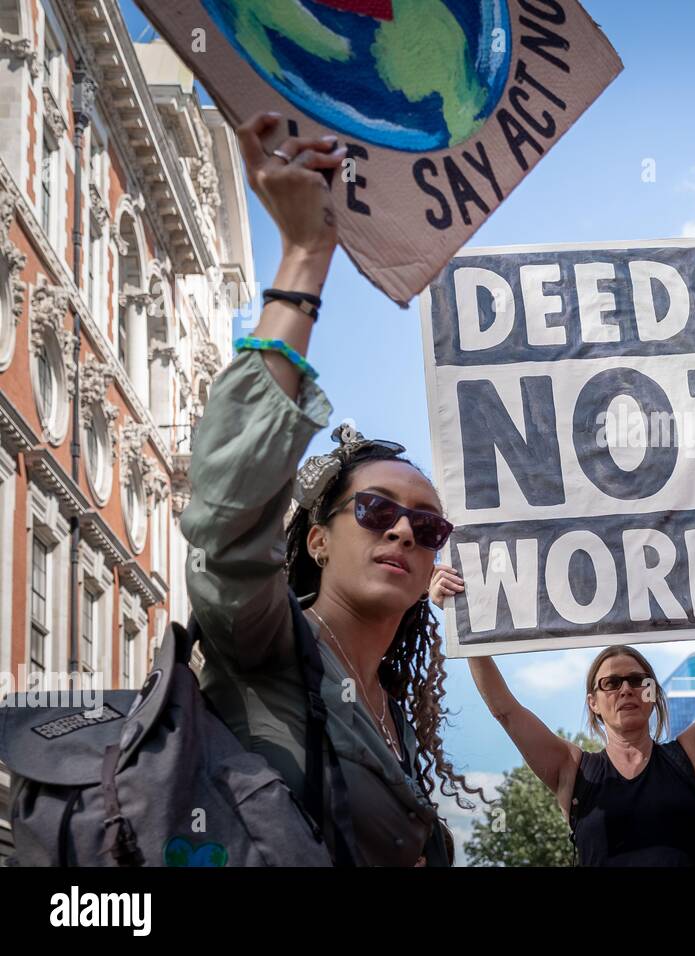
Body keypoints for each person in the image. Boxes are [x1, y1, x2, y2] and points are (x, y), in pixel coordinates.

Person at [181, 111, 481, 866]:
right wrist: (307, 256)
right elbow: (227, 514)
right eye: (377, 511)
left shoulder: (396, 718)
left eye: (429, 526)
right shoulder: (269, 644)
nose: (405, 532)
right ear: (316, 539)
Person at [431, 543, 695, 866]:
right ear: (594, 703)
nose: (626, 689)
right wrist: (459, 618)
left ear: (652, 695)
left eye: (638, 681)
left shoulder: (692, 754)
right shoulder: (572, 771)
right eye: (611, 683)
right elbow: (506, 710)